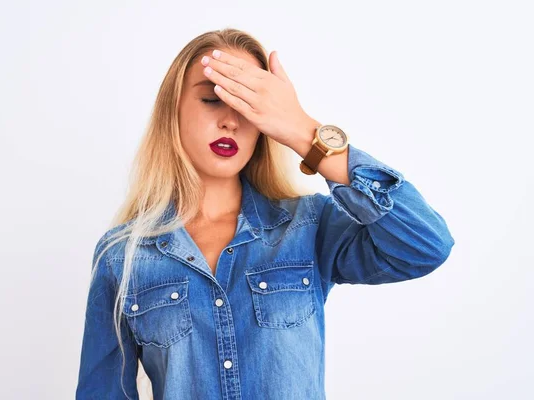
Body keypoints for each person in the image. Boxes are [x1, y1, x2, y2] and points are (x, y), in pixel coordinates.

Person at [75, 28, 455, 400]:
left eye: (248, 105)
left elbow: (425, 246)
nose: (231, 120)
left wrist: (304, 132)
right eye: (212, 99)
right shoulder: (122, 255)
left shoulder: (308, 226)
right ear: (173, 111)